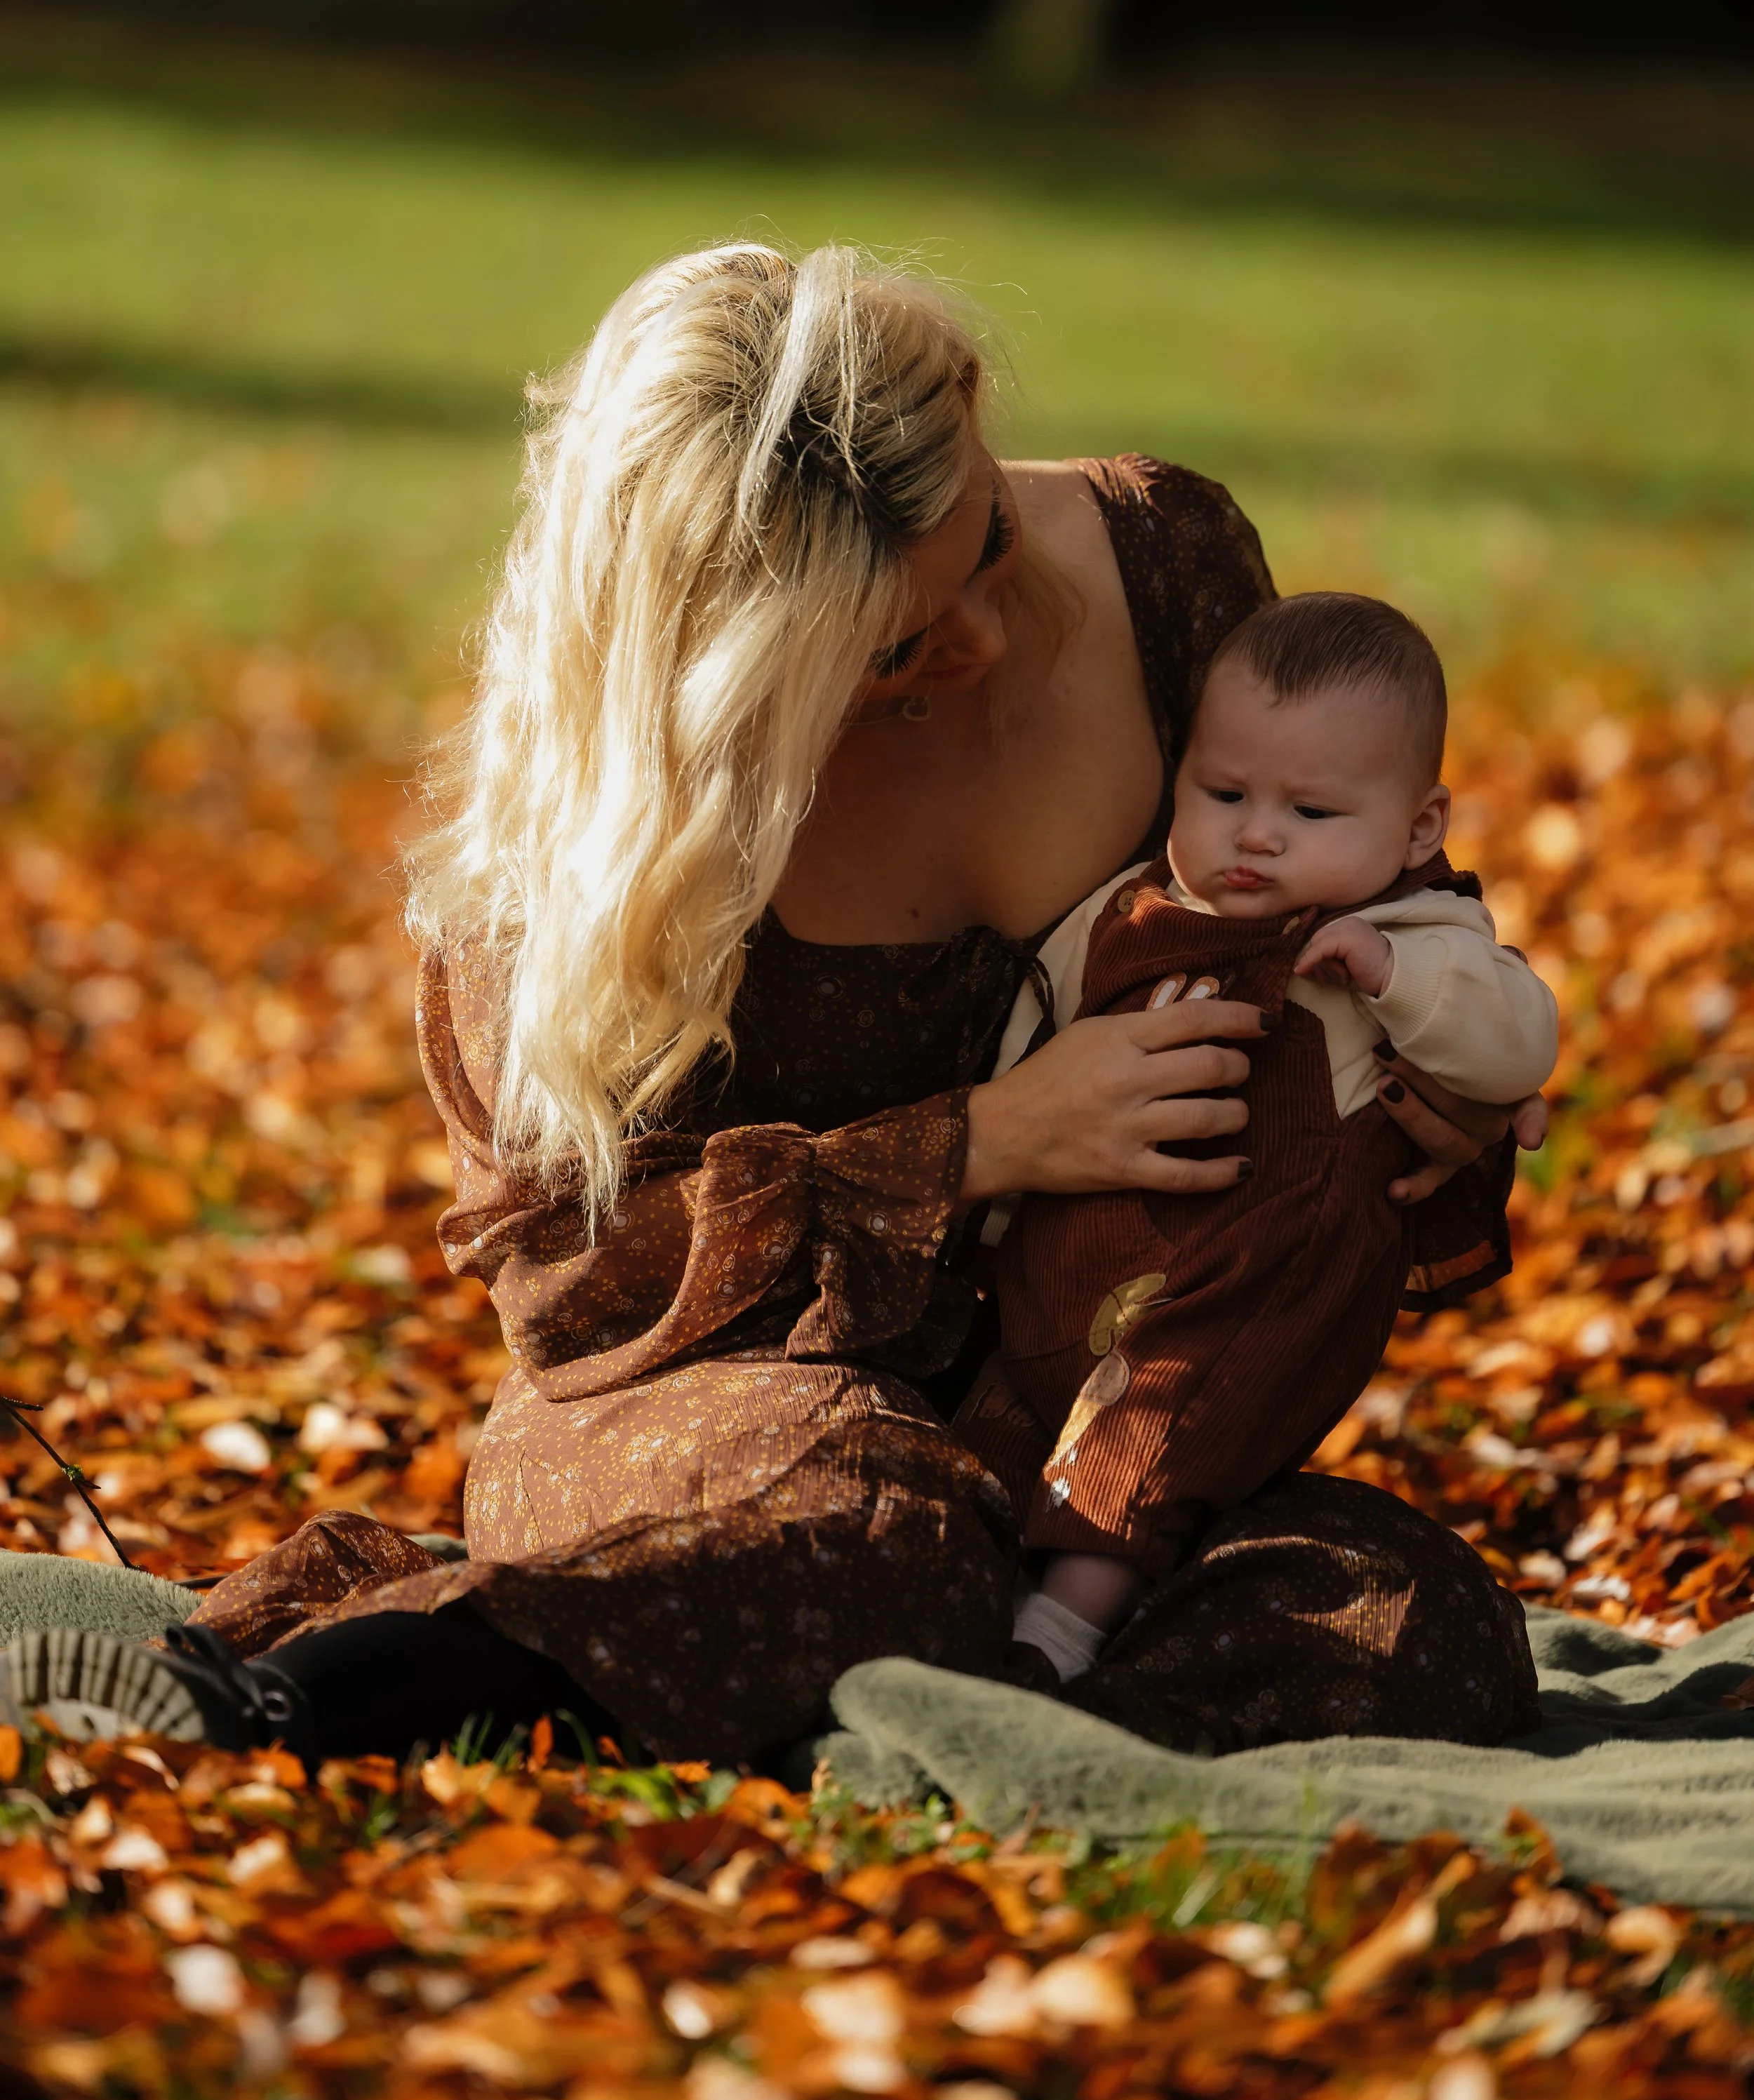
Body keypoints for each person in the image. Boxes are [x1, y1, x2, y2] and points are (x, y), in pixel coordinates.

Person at [0, 246, 1544, 1767]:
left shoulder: (1169, 567)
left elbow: (1369, 878)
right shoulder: (602, 828)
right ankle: (296, 1705)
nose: (984, 642)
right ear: (738, 666)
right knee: (870, 1516)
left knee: (1410, 1622)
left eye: (987, 542)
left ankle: (914, 1707)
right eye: (889, 648)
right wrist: (982, 1144)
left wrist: (1436, 1073)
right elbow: (566, 1280)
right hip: (721, 1429)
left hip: (1083, 1436)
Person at [969, 592, 1558, 1687]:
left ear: (1418, 828)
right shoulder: (1129, 914)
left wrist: (1400, 982)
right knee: (994, 1428)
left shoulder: (1416, 934)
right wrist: (997, 1201)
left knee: (1158, 1419)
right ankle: (986, 1585)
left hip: (1249, 1280)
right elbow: (1030, 1032)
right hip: (1063, 1267)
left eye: (1312, 812)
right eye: (1224, 791)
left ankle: (1064, 1626)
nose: (1255, 833)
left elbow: (1521, 1039)